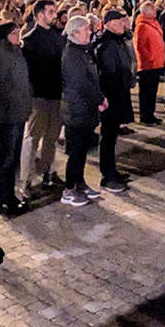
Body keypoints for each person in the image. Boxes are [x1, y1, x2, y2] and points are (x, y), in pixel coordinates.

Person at [19, 0, 65, 192]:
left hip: (57, 95)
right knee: (32, 138)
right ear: (40, 15)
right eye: (51, 12)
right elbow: (26, 73)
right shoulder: (29, 41)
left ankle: (47, 172)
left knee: (51, 137)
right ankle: (26, 179)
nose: (55, 15)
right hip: (39, 96)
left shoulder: (58, 37)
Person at [60, 15, 106, 206]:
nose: (90, 31)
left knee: (82, 150)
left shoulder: (83, 51)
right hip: (76, 110)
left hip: (85, 109)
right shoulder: (72, 54)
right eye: (86, 29)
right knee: (76, 151)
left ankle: (80, 183)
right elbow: (80, 84)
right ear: (76, 32)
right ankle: (69, 188)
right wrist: (99, 99)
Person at [0, 20, 32, 214]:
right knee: (7, 156)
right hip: (8, 113)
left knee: (12, 155)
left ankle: (4, 191)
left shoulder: (16, 51)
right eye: (14, 33)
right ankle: (6, 197)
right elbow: (0, 85)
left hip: (19, 110)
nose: (18, 35)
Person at [95, 9, 136, 194]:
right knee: (108, 135)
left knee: (112, 136)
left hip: (119, 94)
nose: (123, 24)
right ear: (109, 23)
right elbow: (109, 73)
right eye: (119, 21)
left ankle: (112, 170)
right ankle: (107, 175)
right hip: (111, 96)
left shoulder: (118, 41)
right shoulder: (106, 45)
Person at [134, 0, 165, 125]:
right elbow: (140, 47)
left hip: (156, 62)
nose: (155, 11)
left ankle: (151, 114)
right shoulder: (141, 26)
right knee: (146, 92)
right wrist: (149, 59)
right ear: (146, 11)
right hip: (148, 65)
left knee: (153, 92)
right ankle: (145, 115)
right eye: (152, 10)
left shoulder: (154, 23)